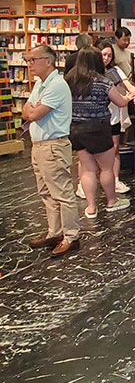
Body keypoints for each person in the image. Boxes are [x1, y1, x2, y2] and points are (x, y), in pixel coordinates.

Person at [22, 44, 80, 257]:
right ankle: (55, 232)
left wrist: (32, 110)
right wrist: (31, 109)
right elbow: (26, 109)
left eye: (33, 60)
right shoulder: (40, 83)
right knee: (46, 192)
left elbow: (34, 114)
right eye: (28, 60)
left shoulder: (56, 85)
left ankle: (71, 236)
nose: (29, 65)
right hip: (39, 146)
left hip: (53, 146)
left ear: (48, 61)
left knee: (62, 193)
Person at [65, 46, 131, 218]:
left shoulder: (70, 80)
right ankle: (111, 201)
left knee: (87, 170)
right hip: (98, 128)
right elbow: (120, 102)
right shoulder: (103, 81)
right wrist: (127, 98)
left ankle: (91, 208)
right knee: (106, 168)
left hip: (76, 128)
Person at [99, 39, 135, 192]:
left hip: (113, 116)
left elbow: (130, 87)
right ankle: (87, 183)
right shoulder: (89, 70)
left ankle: (115, 180)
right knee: (90, 153)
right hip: (95, 118)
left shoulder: (115, 71)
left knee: (115, 149)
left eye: (109, 55)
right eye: (103, 55)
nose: (106, 58)